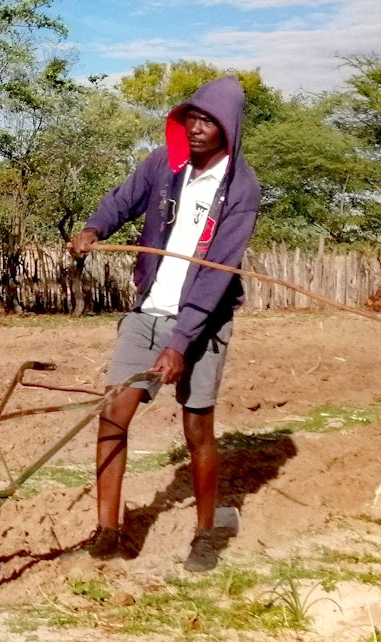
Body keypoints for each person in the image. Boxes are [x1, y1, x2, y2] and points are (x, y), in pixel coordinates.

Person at [66, 75, 259, 572]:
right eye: (191, 118)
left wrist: (180, 343)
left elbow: (215, 281)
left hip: (203, 324)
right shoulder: (164, 163)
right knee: (113, 415)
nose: (196, 128)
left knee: (197, 427)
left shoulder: (241, 188)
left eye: (209, 121)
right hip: (147, 312)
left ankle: (205, 533)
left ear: (229, 128)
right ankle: (109, 530)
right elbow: (121, 199)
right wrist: (94, 227)